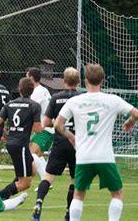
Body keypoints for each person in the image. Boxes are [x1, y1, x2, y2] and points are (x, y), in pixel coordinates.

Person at [54, 64, 138, 221]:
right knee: (117, 193)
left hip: (83, 156)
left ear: (85, 81)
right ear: (102, 80)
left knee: (79, 195)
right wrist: (130, 122)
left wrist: (71, 137)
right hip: (104, 157)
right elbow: (136, 114)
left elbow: (57, 125)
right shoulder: (112, 100)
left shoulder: (75, 101)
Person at [31, 67, 81, 221]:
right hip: (77, 144)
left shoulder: (56, 97)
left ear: (64, 81)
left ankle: (39, 203)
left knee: (48, 177)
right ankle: (68, 213)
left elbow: (46, 122)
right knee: (74, 180)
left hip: (59, 143)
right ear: (78, 81)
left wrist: (58, 124)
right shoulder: (83, 98)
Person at [0, 77, 42, 200]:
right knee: (25, 183)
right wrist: (50, 123)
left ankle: (7, 193)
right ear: (32, 90)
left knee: (32, 170)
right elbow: (38, 129)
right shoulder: (35, 106)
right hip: (20, 145)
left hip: (13, 143)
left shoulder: (10, 104)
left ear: (19, 89)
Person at [26, 67, 53, 183]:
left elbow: (33, 113)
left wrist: (28, 131)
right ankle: (46, 180)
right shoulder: (44, 90)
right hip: (48, 128)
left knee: (30, 153)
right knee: (38, 156)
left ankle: (45, 180)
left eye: (27, 77)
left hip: (43, 128)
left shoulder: (36, 93)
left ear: (31, 78)